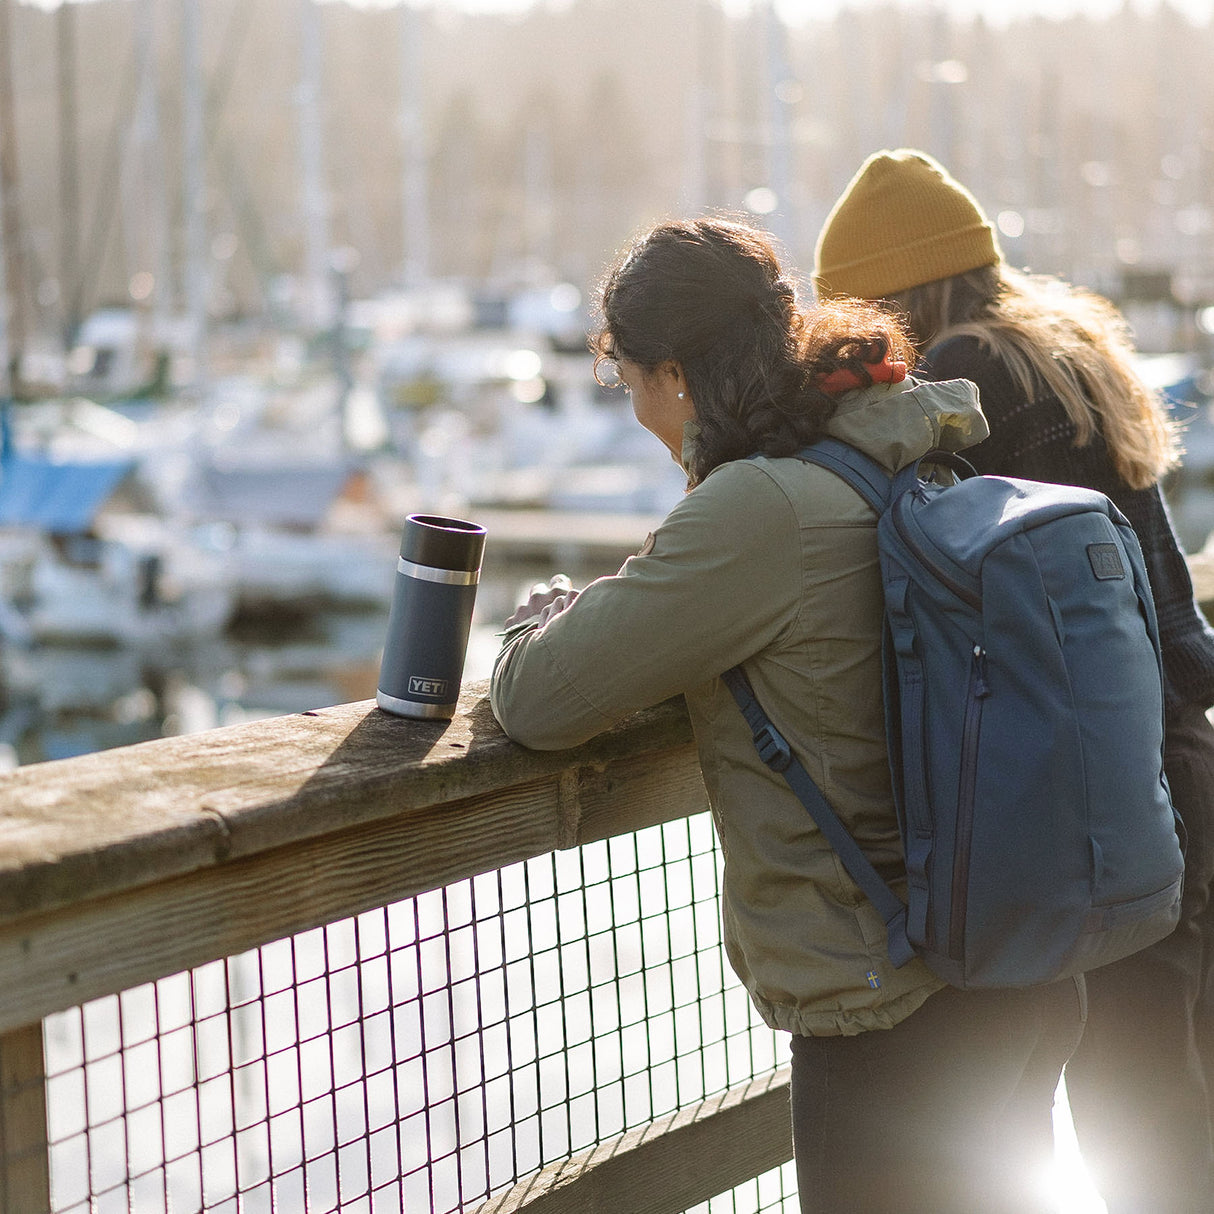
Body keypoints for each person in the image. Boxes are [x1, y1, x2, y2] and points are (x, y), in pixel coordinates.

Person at [490, 216, 1086, 1212]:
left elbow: (541, 700)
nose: (634, 407)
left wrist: (530, 622)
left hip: (889, 1007)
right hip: (1013, 961)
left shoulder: (757, 508)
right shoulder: (894, 445)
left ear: (673, 373)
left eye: (625, 380)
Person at [814, 147, 1214, 1213]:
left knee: (1088, 1108)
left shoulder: (963, 370)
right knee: (1170, 1097)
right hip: (1173, 757)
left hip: (1085, 790)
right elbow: (1173, 623)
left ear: (900, 292)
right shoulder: (1071, 344)